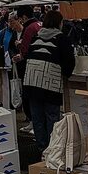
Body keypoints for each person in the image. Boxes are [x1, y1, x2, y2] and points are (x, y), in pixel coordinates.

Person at [23, 8, 75, 154]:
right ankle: (53, 152)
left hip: (31, 83)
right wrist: (66, 74)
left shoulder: (36, 37)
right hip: (49, 84)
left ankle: (42, 151)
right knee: (52, 118)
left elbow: (28, 55)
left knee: (37, 119)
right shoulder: (61, 38)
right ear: (59, 23)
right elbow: (69, 61)